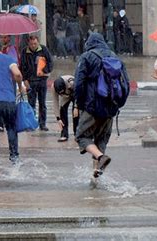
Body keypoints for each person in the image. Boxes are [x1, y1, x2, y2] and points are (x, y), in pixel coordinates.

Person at [74, 33, 125, 183]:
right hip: (110, 106)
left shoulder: (87, 56)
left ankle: (102, 158)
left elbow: (78, 83)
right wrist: (117, 104)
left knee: (82, 136)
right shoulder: (115, 56)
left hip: (92, 105)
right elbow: (125, 83)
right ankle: (95, 175)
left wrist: (80, 104)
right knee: (101, 141)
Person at [20, 35, 54, 131]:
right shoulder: (24, 52)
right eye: (31, 44)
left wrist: (45, 70)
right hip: (30, 81)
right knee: (31, 104)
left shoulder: (43, 49)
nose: (33, 46)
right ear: (28, 44)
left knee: (42, 104)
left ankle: (42, 123)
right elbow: (22, 67)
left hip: (42, 80)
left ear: (38, 42)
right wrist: (25, 80)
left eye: (35, 44)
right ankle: (31, 123)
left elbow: (50, 62)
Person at [52, 75, 79, 142]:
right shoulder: (53, 87)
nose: (60, 94)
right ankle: (64, 134)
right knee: (62, 111)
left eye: (61, 91)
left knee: (76, 114)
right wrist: (58, 118)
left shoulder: (72, 83)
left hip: (75, 94)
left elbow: (78, 95)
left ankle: (77, 134)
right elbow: (55, 102)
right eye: (59, 93)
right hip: (66, 96)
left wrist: (76, 107)